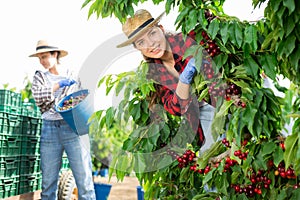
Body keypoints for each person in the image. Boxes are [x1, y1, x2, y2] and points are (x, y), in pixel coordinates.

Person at [116, 9, 216, 153]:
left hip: (226, 99)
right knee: (209, 159)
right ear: (138, 48)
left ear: (161, 29)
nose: (151, 44)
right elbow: (176, 108)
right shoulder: (154, 74)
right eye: (141, 42)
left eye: (152, 33)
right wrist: (184, 80)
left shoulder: (188, 40)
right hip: (203, 115)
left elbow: (216, 32)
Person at [29, 40, 96, 199]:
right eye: (40, 58)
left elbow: (77, 100)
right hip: (49, 129)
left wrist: (56, 98)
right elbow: (38, 98)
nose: (42, 61)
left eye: (45, 56)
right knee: (48, 184)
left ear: (55, 54)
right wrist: (58, 85)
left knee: (84, 181)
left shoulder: (72, 74)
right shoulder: (40, 77)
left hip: (72, 128)